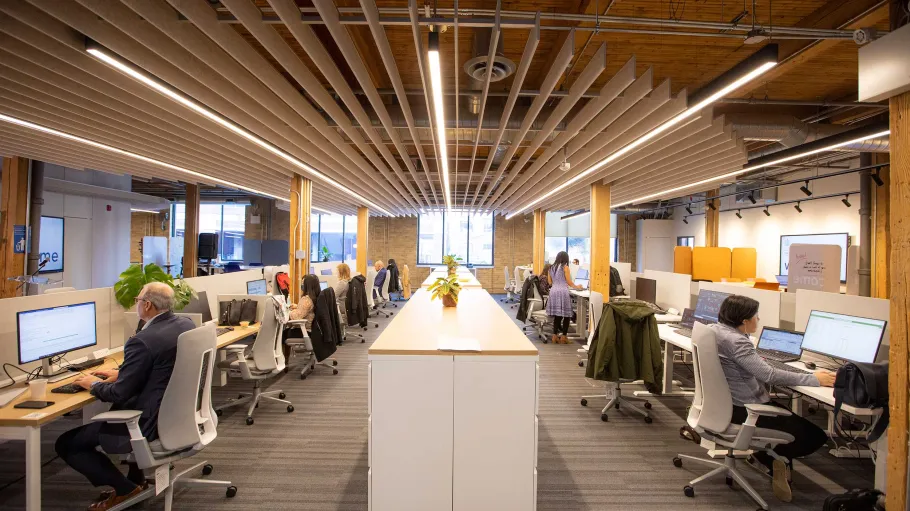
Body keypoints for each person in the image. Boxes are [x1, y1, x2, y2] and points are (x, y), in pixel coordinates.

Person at [57, 283, 195, 511]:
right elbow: (162, 368)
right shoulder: (184, 325)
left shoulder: (142, 340)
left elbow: (119, 393)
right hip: (174, 415)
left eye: (138, 299)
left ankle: (124, 489)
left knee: (67, 444)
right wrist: (123, 372)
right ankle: (136, 480)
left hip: (148, 422)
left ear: (147, 305)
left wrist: (92, 383)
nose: (136, 303)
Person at [711, 295, 836, 502]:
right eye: (756, 316)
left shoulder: (715, 331)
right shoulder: (738, 341)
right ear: (744, 321)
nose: (758, 320)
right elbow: (768, 376)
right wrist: (814, 379)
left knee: (791, 419)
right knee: (815, 436)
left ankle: (765, 456)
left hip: (725, 405)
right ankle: (773, 459)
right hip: (747, 409)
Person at [545, 251, 582, 344]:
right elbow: (569, 282)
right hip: (563, 292)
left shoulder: (550, 268)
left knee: (557, 315)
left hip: (553, 291)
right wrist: (577, 287)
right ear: (566, 259)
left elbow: (549, 282)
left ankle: (554, 336)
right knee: (567, 314)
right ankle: (564, 337)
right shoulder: (565, 267)